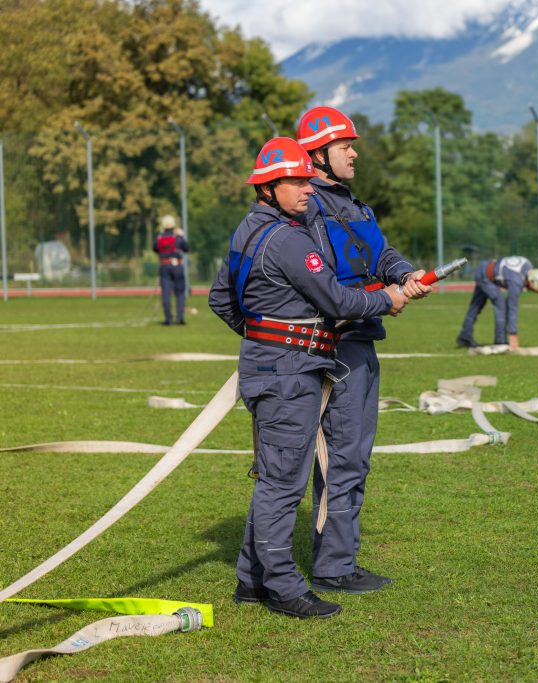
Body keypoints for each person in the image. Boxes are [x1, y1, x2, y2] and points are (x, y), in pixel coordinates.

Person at [208, 137, 408, 619]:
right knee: (283, 484)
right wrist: (386, 300)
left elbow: (221, 299)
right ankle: (282, 587)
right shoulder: (290, 239)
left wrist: (262, 337)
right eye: (295, 181)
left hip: (271, 366)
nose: (306, 188)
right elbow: (338, 300)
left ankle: (252, 580)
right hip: (290, 373)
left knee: (273, 478)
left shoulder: (247, 231)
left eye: (305, 178)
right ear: (268, 187)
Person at [295, 106, 430, 595]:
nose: (353, 153)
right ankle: (334, 567)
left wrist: (405, 274)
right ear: (318, 154)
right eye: (345, 146)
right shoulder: (309, 208)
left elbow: (380, 252)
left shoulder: (353, 204)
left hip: (363, 339)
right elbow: (324, 283)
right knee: (342, 456)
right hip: (336, 346)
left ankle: (341, 559)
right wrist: (382, 298)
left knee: (354, 456)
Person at [456, 256, 538, 350]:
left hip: (484, 268)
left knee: (475, 307)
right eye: (531, 289)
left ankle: (464, 336)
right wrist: (513, 334)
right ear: (531, 281)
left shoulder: (527, 265)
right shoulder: (516, 281)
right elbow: (512, 308)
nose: (528, 290)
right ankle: (500, 341)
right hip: (486, 277)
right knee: (501, 306)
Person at [152, 214, 189, 325]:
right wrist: (182, 236)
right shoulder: (178, 238)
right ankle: (179, 318)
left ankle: (168, 319)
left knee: (166, 293)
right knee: (180, 293)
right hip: (177, 266)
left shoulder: (159, 238)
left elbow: (155, 249)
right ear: (173, 225)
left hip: (164, 266)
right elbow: (187, 248)